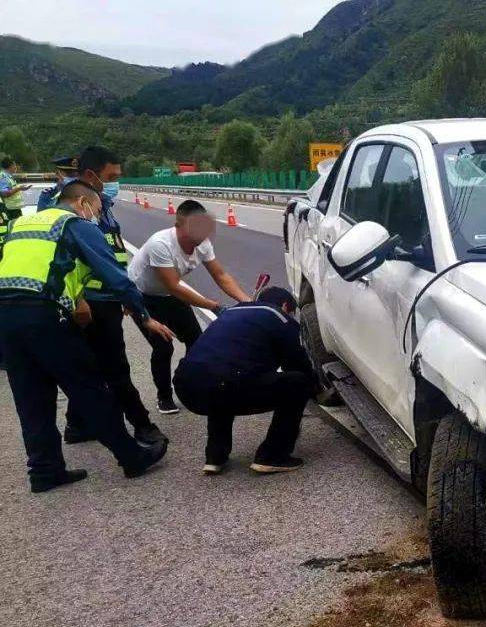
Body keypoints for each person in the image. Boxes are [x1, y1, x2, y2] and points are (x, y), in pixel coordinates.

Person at [0, 181, 175, 493]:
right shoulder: (75, 224)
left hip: (6, 315)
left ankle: (44, 471)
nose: (96, 215)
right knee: (89, 387)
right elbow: (116, 278)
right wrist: (144, 317)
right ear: (82, 203)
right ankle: (131, 456)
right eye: (95, 209)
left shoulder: (20, 222)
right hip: (43, 314)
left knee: (31, 397)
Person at [60, 146, 167, 446]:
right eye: (112, 177)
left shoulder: (101, 204)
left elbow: (112, 251)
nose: (115, 182)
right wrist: (80, 299)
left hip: (107, 297)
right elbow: (63, 258)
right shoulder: (71, 207)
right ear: (92, 175)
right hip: (89, 301)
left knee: (93, 363)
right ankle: (142, 426)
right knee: (116, 367)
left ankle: (77, 425)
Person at [173, 286, 315, 474]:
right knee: (298, 382)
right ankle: (272, 456)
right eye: (291, 312)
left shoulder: (229, 314)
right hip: (227, 384)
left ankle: (215, 456)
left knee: (224, 380)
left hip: (186, 386)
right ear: (285, 305)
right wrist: (318, 390)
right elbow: (299, 365)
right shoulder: (280, 317)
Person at [129, 199, 251, 414]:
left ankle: (194, 387)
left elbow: (221, 276)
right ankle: (164, 397)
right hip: (142, 297)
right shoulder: (161, 244)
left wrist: (248, 302)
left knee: (198, 340)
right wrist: (213, 306)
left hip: (170, 295)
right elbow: (174, 286)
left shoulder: (202, 243)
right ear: (178, 226)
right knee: (163, 345)